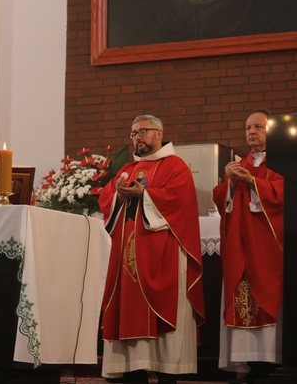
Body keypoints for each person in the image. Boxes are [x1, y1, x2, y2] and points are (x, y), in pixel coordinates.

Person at [98, 114, 204, 384]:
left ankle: (167, 371)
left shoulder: (175, 166)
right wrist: (118, 195)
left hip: (163, 254)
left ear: (159, 134)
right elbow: (107, 195)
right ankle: (132, 369)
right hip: (128, 258)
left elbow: (179, 202)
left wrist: (145, 196)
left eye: (143, 131)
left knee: (166, 310)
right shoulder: (129, 169)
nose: (138, 137)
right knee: (130, 308)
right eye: (133, 133)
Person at [213, 109, 284, 384]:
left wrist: (253, 181)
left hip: (267, 250)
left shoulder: (282, 163)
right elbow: (222, 200)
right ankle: (247, 362)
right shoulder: (239, 163)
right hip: (241, 248)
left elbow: (283, 194)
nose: (251, 132)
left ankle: (270, 362)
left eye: (258, 127)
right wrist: (230, 181)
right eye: (247, 128)